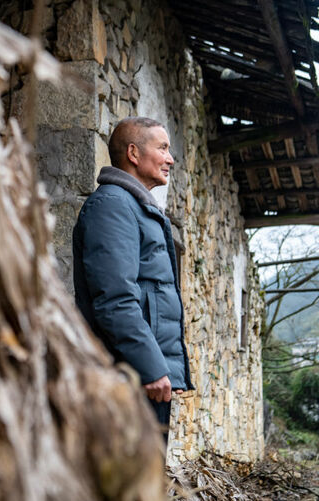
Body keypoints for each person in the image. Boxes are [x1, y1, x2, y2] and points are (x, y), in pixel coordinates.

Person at [72, 117, 194, 446]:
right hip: (128, 377)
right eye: (163, 148)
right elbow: (115, 300)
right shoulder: (113, 206)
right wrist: (152, 367)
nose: (170, 158)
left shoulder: (135, 207)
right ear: (133, 153)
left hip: (143, 378)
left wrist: (166, 369)